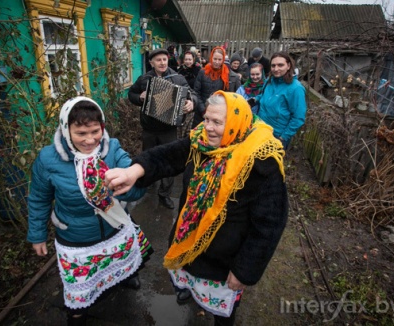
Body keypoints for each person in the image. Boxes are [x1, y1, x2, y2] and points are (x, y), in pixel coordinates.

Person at [105, 90, 288, 326]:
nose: (208, 127)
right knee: (190, 285)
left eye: (217, 122)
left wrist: (245, 271)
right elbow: (167, 156)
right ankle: (189, 292)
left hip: (223, 262)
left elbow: (269, 225)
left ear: (236, 123)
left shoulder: (262, 161)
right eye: (207, 119)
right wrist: (133, 171)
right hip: (189, 244)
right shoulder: (202, 141)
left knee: (223, 314)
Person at [27, 97, 151, 326]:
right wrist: (37, 235)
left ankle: (124, 277)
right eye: (81, 133)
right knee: (79, 288)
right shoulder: (48, 159)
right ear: (66, 129)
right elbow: (39, 198)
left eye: (95, 131)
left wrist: (127, 184)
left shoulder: (111, 148)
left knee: (120, 263)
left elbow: (136, 190)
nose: (90, 140)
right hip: (76, 237)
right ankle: (77, 314)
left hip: (115, 227)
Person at [128, 48, 196, 210]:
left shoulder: (177, 78)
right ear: (151, 63)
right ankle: (148, 184)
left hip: (168, 129)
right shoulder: (144, 79)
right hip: (149, 129)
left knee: (169, 160)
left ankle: (164, 194)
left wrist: (190, 103)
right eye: (158, 60)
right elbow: (131, 94)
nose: (162, 63)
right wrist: (140, 97)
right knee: (148, 157)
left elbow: (191, 94)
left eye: (164, 59)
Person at [252, 52, 307, 150]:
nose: (276, 69)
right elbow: (263, 95)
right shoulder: (269, 81)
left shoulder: (296, 88)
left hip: (276, 136)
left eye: (280, 65)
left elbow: (298, 117)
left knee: (268, 164)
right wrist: (254, 100)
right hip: (260, 130)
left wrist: (283, 137)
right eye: (273, 66)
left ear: (288, 66)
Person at [193, 46, 241, 127]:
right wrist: (203, 110)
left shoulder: (226, 75)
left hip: (217, 114)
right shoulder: (202, 72)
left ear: (223, 60)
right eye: (215, 59)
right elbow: (196, 92)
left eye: (219, 60)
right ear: (211, 58)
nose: (217, 62)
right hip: (201, 114)